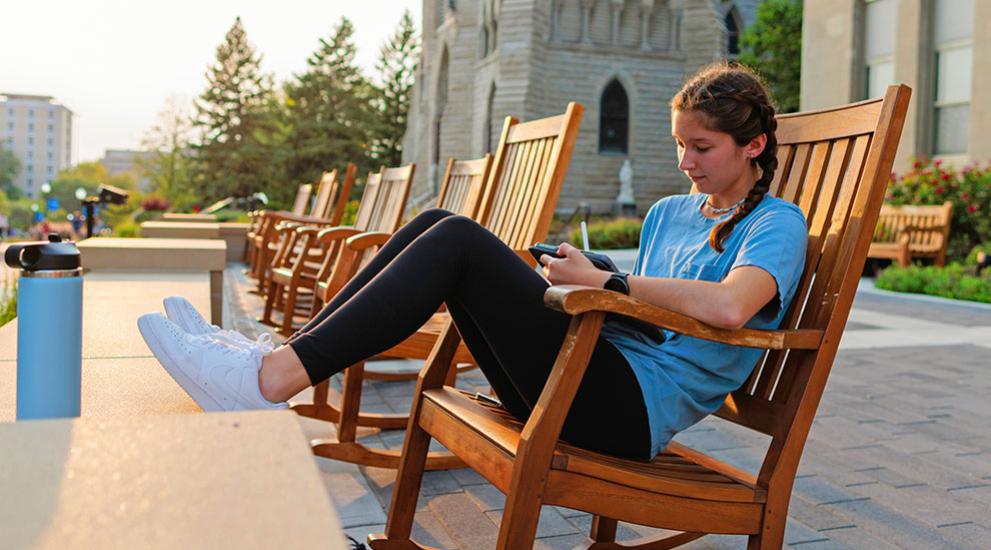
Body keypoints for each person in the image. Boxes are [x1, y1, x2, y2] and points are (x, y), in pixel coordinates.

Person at [137, 62, 807, 460]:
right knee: (436, 223)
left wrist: (608, 280)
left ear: (753, 146)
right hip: (583, 372)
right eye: (679, 146)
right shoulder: (667, 213)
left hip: (625, 411)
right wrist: (588, 270)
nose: (685, 162)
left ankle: (266, 380)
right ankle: (273, 361)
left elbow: (728, 305)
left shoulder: (775, 223)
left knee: (457, 239)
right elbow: (645, 309)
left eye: (702, 148)